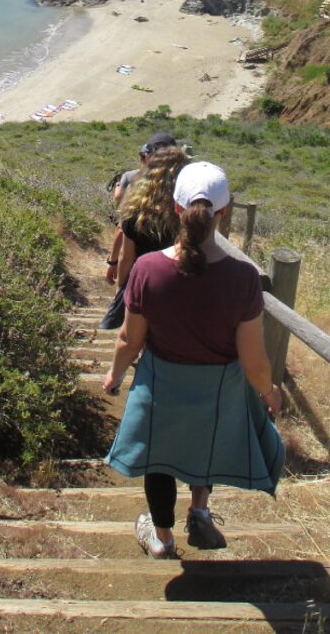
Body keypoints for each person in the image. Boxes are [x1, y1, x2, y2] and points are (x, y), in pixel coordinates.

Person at [102, 161, 284, 558]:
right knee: (205, 447)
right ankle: (200, 510)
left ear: (176, 208)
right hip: (219, 388)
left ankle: (163, 539)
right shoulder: (243, 278)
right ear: (224, 211)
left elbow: (129, 339)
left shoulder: (148, 270)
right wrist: (269, 391)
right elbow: (253, 358)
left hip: (162, 383)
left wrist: (114, 376)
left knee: (159, 459)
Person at [99, 145, 189, 331]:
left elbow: (126, 256)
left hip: (141, 282)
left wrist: (122, 288)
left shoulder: (136, 215)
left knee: (130, 335)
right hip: (175, 287)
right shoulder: (186, 215)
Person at [104, 132, 177, 281]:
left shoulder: (133, 182)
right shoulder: (182, 191)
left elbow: (124, 246)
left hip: (139, 275)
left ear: (146, 157)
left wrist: (113, 262)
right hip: (171, 277)